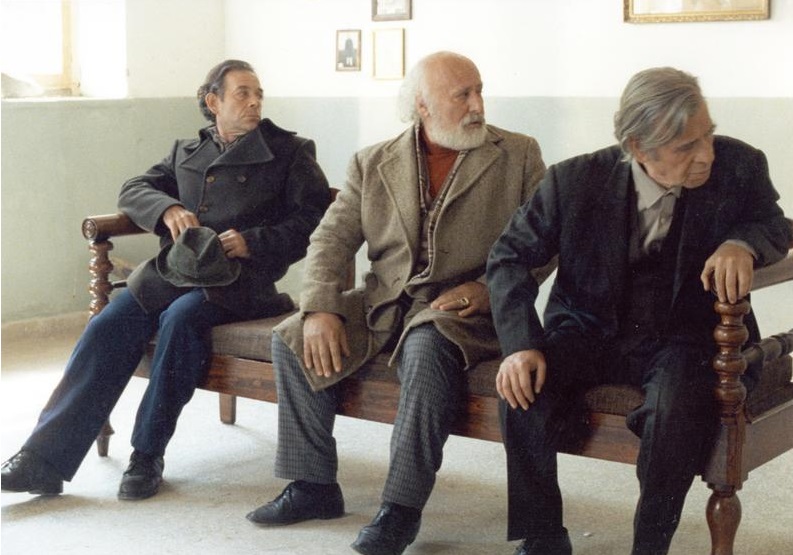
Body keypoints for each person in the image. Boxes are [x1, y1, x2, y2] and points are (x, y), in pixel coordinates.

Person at [245, 51, 548, 555]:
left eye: (479, 91)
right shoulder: (372, 161)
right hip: (384, 302)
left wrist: (485, 290)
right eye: (463, 95)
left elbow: (543, 243)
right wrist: (319, 308)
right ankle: (313, 485)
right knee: (294, 337)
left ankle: (400, 509)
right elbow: (331, 239)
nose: (478, 105)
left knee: (425, 349)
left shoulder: (517, 154)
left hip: (463, 312)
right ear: (422, 106)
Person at [486, 66, 792, 555]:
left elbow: (775, 224)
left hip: (686, 337)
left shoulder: (740, 164)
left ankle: (649, 547)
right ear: (637, 146)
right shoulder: (572, 181)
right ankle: (542, 537)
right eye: (685, 146)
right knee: (520, 390)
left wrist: (742, 243)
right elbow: (509, 257)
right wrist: (521, 345)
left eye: (708, 134)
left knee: (673, 410)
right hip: (586, 329)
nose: (706, 154)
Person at [1, 59, 331, 501]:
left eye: (258, 94)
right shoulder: (187, 152)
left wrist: (253, 241)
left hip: (241, 282)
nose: (255, 102)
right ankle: (42, 461)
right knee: (107, 324)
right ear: (213, 101)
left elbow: (315, 221)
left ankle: (146, 455)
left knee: (180, 320)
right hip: (172, 273)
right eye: (243, 94)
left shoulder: (289, 151)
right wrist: (167, 208)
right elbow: (133, 189)